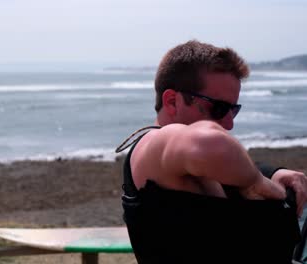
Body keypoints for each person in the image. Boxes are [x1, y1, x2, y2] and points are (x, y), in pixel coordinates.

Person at [116, 40, 307, 264]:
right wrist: (263, 185)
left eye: (234, 110)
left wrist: (275, 172)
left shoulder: (193, 160)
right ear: (171, 101)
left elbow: (228, 163)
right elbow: (211, 143)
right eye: (219, 108)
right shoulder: (154, 143)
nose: (228, 124)